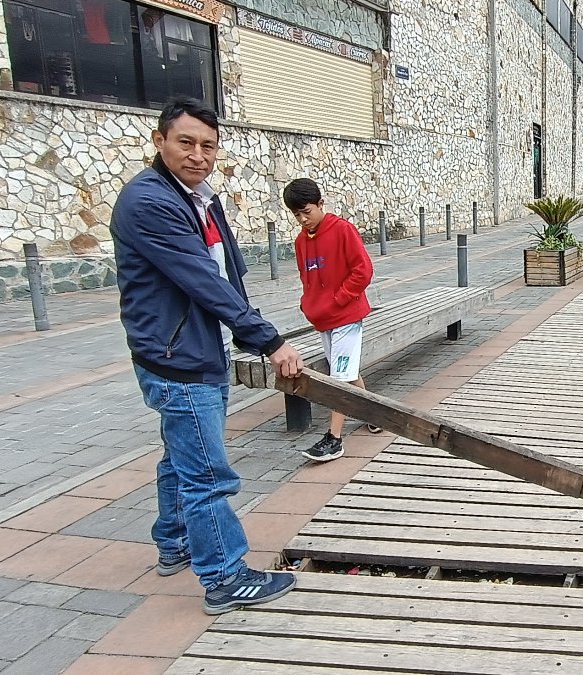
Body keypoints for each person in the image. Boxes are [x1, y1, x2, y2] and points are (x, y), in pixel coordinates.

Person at [110, 96, 303, 615]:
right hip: (177, 358)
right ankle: (224, 577)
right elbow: (201, 280)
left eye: (208, 146)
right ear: (159, 141)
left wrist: (245, 330)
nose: (198, 155)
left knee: (181, 455)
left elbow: (227, 272)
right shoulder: (149, 202)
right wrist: (268, 338)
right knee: (207, 474)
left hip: (192, 348)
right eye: (186, 143)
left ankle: (173, 543)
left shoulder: (196, 195)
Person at [283, 178, 382, 461]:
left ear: (320, 204)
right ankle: (375, 413)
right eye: (297, 215)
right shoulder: (301, 241)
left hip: (346, 316)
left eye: (307, 211)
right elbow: (307, 279)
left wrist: (339, 299)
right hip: (322, 318)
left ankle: (334, 439)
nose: (303, 219)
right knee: (347, 371)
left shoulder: (342, 230)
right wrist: (309, 305)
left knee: (338, 378)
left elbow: (362, 270)